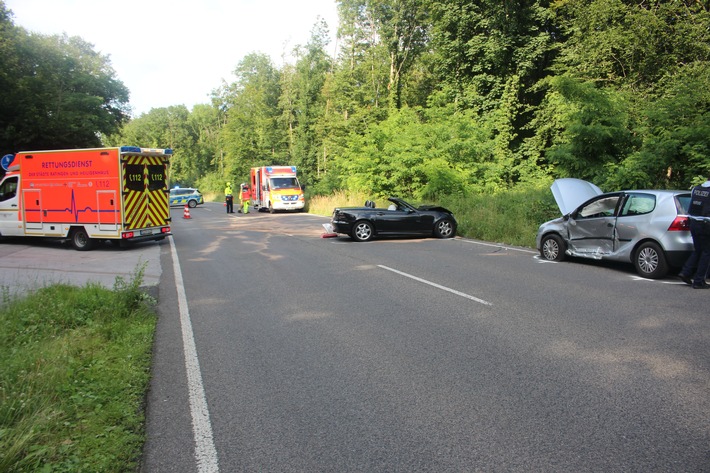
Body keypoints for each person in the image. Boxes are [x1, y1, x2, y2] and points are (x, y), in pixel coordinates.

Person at [678, 176, 710, 289]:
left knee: (698, 250)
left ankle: (686, 272)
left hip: (693, 223)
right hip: (706, 224)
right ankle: (698, 281)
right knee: (707, 252)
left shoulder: (696, 189)